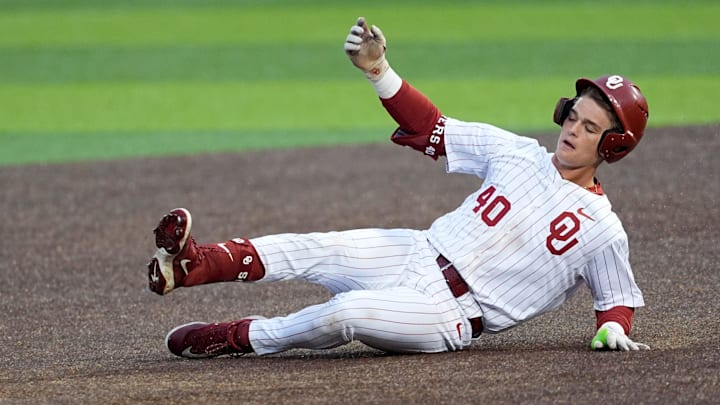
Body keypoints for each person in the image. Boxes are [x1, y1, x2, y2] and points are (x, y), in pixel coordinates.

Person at [147, 17, 651, 358]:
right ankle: (196, 264)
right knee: (314, 248)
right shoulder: (517, 152)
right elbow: (432, 127)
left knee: (346, 314)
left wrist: (612, 328)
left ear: (614, 145)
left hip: (448, 314)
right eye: (573, 116)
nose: (571, 130)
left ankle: (239, 337)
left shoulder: (602, 230)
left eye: (589, 128)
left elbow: (615, 301)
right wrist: (378, 71)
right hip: (416, 249)